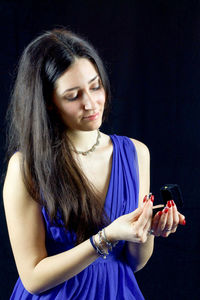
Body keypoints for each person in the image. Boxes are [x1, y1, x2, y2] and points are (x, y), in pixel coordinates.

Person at [3, 28, 186, 300]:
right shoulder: (26, 167)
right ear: (48, 103)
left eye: (95, 86)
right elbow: (32, 278)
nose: (91, 103)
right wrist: (106, 237)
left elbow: (134, 263)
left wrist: (147, 230)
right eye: (73, 95)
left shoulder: (136, 153)